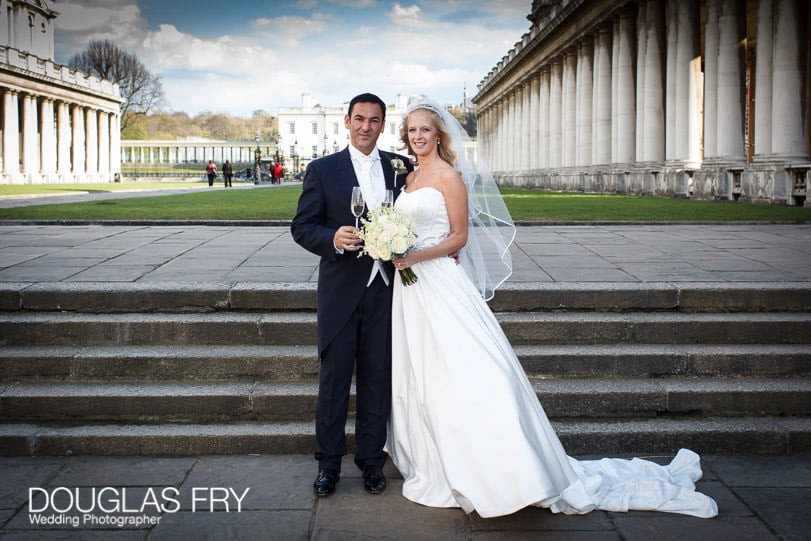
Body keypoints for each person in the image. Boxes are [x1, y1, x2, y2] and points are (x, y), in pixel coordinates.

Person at [386, 97, 719, 519]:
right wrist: (392, 245)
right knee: (423, 371)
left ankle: (500, 468)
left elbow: (459, 238)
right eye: (412, 130)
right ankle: (435, 459)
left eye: (425, 130)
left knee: (468, 367)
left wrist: (415, 255)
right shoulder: (410, 178)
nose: (418, 136)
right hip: (411, 289)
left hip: (437, 281)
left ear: (438, 135)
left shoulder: (449, 176)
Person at [291, 93, 412, 498]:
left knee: (378, 380)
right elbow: (302, 226)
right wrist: (332, 237)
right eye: (359, 119)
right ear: (347, 121)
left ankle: (372, 463)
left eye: (374, 120)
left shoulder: (401, 168)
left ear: (383, 125)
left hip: (388, 292)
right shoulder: (323, 170)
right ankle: (328, 466)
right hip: (342, 291)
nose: (366, 127)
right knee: (334, 382)